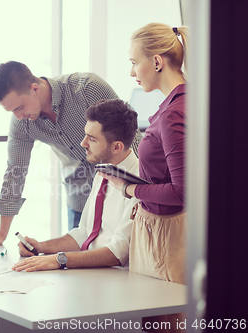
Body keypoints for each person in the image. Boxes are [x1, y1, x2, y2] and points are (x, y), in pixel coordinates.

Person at [0, 61, 140, 246]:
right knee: (83, 261)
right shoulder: (22, 123)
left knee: (127, 254)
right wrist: (1, 234)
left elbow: (129, 135)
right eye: (12, 111)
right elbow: (15, 172)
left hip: (123, 191)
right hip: (80, 197)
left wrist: (145, 186)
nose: (19, 116)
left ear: (34, 88)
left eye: (20, 107)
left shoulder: (87, 88)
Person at [101, 23, 188, 333]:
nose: (131, 72)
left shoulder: (174, 112)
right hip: (157, 232)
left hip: (165, 237)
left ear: (156, 61)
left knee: (165, 326)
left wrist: (129, 189)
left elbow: (181, 193)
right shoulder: (175, 105)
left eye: (133, 62)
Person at [12, 99, 140, 272]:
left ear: (117, 146)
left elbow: (119, 253)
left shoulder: (139, 184)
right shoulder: (104, 173)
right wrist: (41, 247)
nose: (83, 143)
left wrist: (60, 260)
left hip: (119, 279)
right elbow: (85, 233)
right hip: (93, 275)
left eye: (92, 139)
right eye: (85, 134)